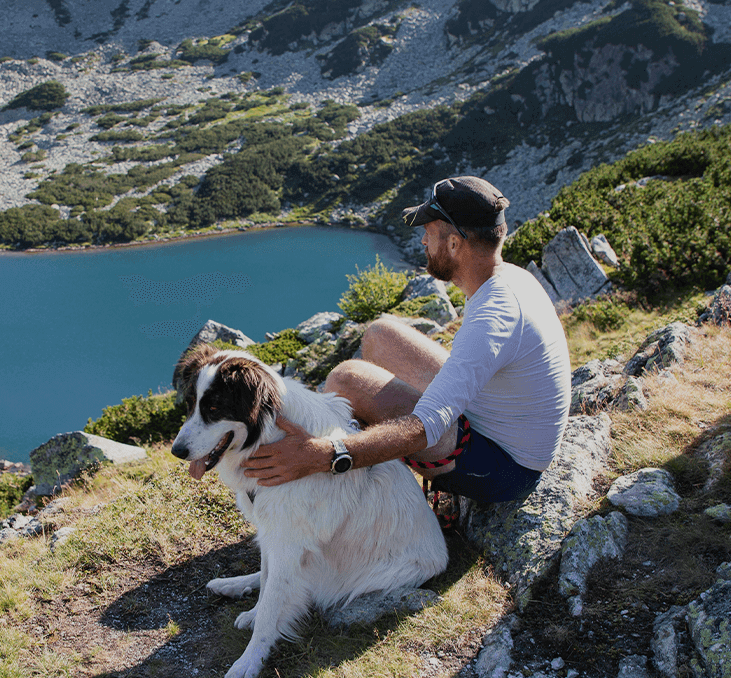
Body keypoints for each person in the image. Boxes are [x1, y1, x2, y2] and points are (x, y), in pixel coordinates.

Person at [243, 175, 571, 505]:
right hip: (499, 422)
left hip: (504, 470)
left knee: (346, 380)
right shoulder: (506, 278)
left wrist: (324, 454)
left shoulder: (494, 316)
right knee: (379, 335)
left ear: (455, 244)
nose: (424, 243)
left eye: (429, 233)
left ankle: (332, 473)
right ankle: (350, 456)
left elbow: (422, 428)